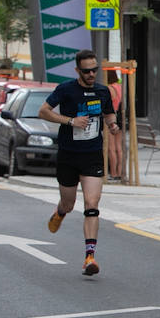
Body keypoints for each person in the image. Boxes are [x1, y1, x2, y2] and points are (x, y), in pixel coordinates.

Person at [39, 49, 118, 276]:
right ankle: (60, 212)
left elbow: (109, 114)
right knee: (69, 203)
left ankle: (89, 257)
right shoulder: (66, 90)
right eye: (87, 71)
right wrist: (70, 121)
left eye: (94, 70)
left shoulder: (103, 91)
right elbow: (43, 111)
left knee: (91, 204)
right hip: (68, 155)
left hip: (92, 155)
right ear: (77, 71)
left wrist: (113, 125)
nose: (92, 74)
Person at [105, 69, 126, 181]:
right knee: (119, 148)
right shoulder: (120, 86)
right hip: (120, 117)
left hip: (112, 117)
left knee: (111, 148)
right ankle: (120, 172)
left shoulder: (109, 88)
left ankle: (113, 173)